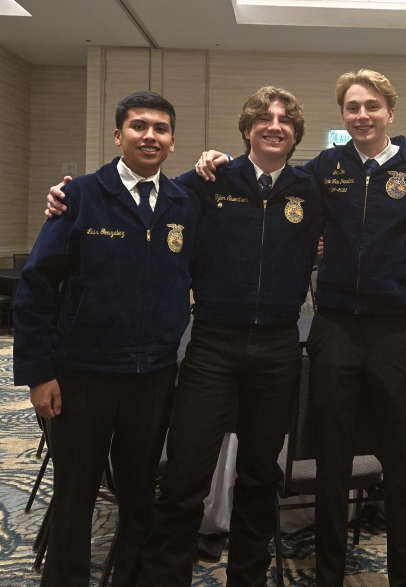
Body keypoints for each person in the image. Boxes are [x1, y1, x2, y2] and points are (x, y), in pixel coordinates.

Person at [195, 69, 406, 587]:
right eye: (352, 108)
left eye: (372, 106)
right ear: (343, 116)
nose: (362, 115)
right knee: (331, 464)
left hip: (398, 332)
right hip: (335, 329)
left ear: (390, 113)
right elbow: (271, 181)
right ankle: (329, 575)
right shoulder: (325, 167)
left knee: (401, 463)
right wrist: (214, 159)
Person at [46, 86, 323, 587]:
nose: (274, 125)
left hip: (279, 349)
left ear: (296, 134)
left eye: (285, 119)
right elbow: (146, 201)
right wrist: (65, 198)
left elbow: (375, 179)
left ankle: (247, 578)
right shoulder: (207, 182)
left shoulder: (312, 189)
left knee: (261, 478)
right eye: (263, 117)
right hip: (213, 345)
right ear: (246, 129)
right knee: (184, 477)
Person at [14, 91, 200, 587]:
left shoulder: (185, 203)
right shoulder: (79, 196)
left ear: (173, 141)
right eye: (138, 126)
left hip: (154, 374)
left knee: (139, 493)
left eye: (160, 128)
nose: (150, 136)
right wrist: (38, 372)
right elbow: (36, 286)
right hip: (83, 374)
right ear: (118, 136)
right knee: (75, 493)